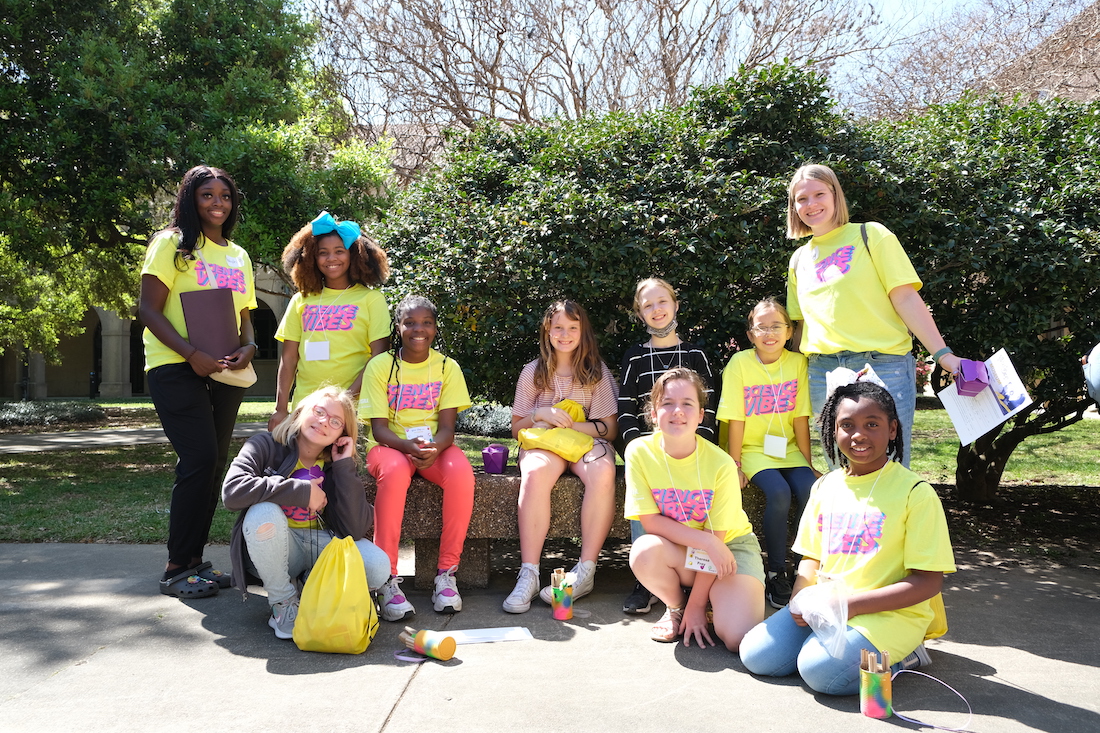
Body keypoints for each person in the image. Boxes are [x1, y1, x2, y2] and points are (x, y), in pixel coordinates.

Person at [739, 380, 956, 696]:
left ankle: (906, 655)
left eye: (872, 424)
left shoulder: (915, 493)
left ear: (892, 429)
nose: (859, 434)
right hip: (829, 606)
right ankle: (835, 646)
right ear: (833, 431)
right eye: (847, 425)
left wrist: (849, 605)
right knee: (757, 655)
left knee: (818, 671)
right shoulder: (825, 486)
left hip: (890, 614)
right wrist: (801, 599)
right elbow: (811, 557)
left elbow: (928, 582)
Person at [785, 164, 964, 467]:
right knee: (841, 470)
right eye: (801, 199)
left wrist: (944, 355)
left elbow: (905, 297)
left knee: (889, 468)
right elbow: (800, 326)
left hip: (882, 366)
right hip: (822, 372)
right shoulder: (799, 259)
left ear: (835, 196)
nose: (811, 204)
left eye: (819, 194)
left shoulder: (872, 235)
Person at [138, 165, 257, 599]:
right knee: (200, 458)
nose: (217, 204)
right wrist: (192, 354)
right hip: (176, 367)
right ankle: (175, 567)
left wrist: (249, 347)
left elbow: (245, 319)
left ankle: (195, 562)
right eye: (207, 195)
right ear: (191, 198)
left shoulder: (238, 255)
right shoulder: (172, 244)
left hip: (226, 371)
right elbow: (148, 311)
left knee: (213, 467)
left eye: (225, 196)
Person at [222, 386, 390, 639]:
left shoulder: (336, 465)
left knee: (377, 567)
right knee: (262, 513)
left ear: (342, 435)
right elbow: (233, 492)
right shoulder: (265, 444)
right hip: (276, 548)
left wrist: (344, 466)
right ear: (301, 411)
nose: (324, 422)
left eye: (335, 422)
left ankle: (314, 587)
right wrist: (300, 491)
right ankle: (283, 603)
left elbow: (355, 529)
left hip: (321, 544)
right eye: (319, 411)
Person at [626, 368, 765, 650]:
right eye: (667, 403)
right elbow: (650, 522)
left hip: (730, 549)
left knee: (737, 639)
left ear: (701, 414)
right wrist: (704, 541)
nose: (677, 411)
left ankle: (709, 600)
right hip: (685, 548)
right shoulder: (639, 452)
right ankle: (677, 605)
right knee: (644, 551)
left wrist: (699, 605)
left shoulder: (722, 464)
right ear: (654, 413)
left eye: (687, 404)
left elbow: (719, 539)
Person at [360, 295, 475, 621]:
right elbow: (379, 429)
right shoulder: (380, 366)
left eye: (426, 322)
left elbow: (448, 429)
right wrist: (408, 448)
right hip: (390, 448)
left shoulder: (446, 367)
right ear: (398, 327)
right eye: (410, 322)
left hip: (432, 447)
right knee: (395, 472)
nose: (418, 329)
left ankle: (446, 575)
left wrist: (433, 449)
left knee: (461, 472)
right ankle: (388, 580)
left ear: (435, 328)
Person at [503, 300, 619, 613]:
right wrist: (541, 413)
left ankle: (585, 571)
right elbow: (516, 428)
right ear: (547, 330)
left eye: (572, 328)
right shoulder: (533, 372)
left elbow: (608, 429)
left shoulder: (597, 373)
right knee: (537, 472)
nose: (565, 334)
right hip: (545, 444)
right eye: (558, 327)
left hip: (584, 443)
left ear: (583, 332)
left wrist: (570, 422)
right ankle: (528, 572)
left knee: (603, 471)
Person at [617, 277, 720, 615]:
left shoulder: (696, 353)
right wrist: (638, 450)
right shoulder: (634, 358)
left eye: (662, 301)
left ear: (675, 305)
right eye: (648, 305)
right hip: (649, 453)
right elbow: (626, 410)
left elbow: (711, 405)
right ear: (640, 313)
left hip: (691, 451)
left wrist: (696, 445)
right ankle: (644, 582)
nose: (656, 309)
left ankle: (699, 575)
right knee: (642, 498)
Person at [717, 297, 819, 609]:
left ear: (790, 331)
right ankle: (776, 570)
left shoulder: (798, 364)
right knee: (778, 492)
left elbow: (800, 418)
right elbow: (736, 418)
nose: (769, 333)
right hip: (752, 449)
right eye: (761, 327)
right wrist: (735, 464)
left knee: (810, 490)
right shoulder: (740, 364)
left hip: (788, 449)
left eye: (777, 326)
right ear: (750, 334)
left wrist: (808, 462)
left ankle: (807, 571)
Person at [268, 211, 391, 431]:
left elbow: (378, 359)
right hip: (306, 408)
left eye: (339, 251)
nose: (331, 258)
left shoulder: (371, 299)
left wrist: (345, 400)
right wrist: (280, 408)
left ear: (354, 255)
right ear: (311, 258)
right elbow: (288, 358)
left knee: (346, 465)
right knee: (305, 466)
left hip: (354, 409)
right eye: (323, 253)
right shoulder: (300, 300)